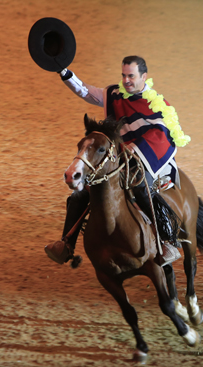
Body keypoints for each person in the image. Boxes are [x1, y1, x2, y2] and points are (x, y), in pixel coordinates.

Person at [45, 56, 191, 266]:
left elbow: (161, 135)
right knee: (80, 195)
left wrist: (134, 149)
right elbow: (86, 92)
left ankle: (166, 241)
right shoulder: (115, 95)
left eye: (131, 76)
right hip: (117, 156)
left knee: (141, 188)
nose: (126, 80)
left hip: (145, 157)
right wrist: (65, 72)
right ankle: (66, 243)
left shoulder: (158, 104)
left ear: (144, 77)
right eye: (123, 75)